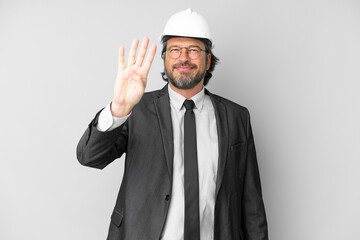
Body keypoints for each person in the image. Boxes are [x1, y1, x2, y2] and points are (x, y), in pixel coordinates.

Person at [77, 8, 268, 240]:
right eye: (175, 50)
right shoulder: (136, 110)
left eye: (193, 50)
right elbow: (90, 157)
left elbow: (251, 206)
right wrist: (119, 108)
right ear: (165, 58)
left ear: (208, 60)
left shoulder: (236, 117)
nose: (183, 58)